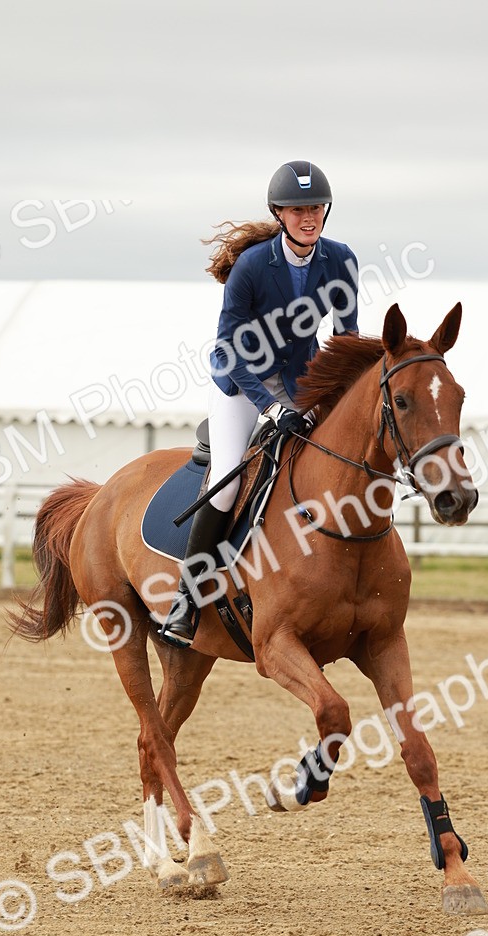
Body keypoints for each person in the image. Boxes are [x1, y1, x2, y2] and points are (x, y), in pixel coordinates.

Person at [160, 159, 359, 648]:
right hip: (241, 383)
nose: (308, 217)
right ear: (279, 214)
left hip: (300, 381)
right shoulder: (251, 266)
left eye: (315, 208)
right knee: (228, 482)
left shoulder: (341, 260)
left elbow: (346, 338)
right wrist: (269, 408)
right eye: (298, 210)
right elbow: (228, 348)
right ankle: (187, 599)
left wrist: (340, 397)